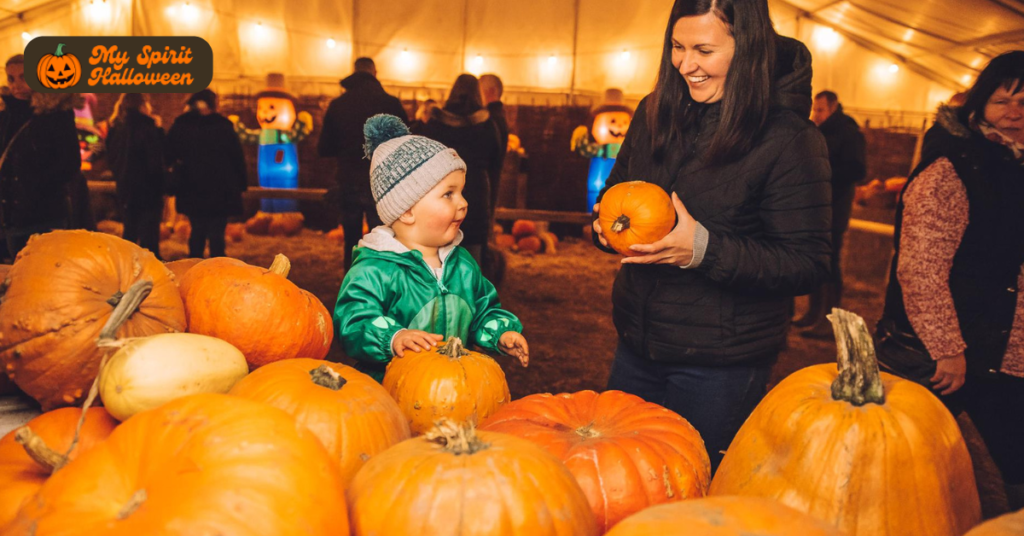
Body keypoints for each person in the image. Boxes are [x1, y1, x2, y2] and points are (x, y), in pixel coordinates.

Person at [591, 0, 831, 471]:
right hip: (637, 343)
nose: (685, 64)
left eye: (704, 49)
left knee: (689, 489)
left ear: (749, 49)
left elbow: (807, 262)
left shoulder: (789, 139)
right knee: (618, 478)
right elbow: (621, 194)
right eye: (677, 47)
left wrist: (702, 250)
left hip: (719, 363)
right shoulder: (655, 111)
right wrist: (607, 230)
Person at [874, 51, 1024, 510]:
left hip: (1007, 348)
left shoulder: (1014, 166)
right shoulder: (953, 170)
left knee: (1003, 470)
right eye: (1005, 101)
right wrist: (947, 348)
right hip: (957, 353)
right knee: (916, 469)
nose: (1016, 114)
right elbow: (920, 268)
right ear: (979, 104)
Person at [334, 114, 528, 382]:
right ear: (408, 210)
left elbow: (483, 309)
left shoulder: (462, 264)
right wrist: (393, 337)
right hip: (392, 390)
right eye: (449, 194)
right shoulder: (374, 270)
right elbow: (353, 322)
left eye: (461, 191)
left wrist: (501, 333)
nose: (463, 203)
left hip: (455, 388)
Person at [319, 57, 409, 270]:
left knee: (351, 239)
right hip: (382, 183)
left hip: (349, 180)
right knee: (384, 238)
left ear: (354, 72)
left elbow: (324, 148)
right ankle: (382, 285)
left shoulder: (338, 106)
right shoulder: (391, 104)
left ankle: (353, 285)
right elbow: (406, 145)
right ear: (374, 73)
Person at [796, 90, 867, 337]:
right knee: (817, 261)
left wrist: (822, 172)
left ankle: (830, 320)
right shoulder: (819, 131)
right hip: (817, 208)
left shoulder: (848, 133)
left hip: (834, 209)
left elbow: (857, 170)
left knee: (830, 263)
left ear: (834, 107)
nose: (816, 114)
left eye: (821, 110)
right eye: (815, 109)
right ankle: (813, 313)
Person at [0, 54, 80, 259]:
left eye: (23, 77)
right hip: (11, 216)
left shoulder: (56, 113)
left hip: (44, 215)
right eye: (11, 78)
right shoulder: (8, 115)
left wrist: (34, 184)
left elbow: (70, 163)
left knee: (45, 276)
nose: (16, 85)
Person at [418, 74, 504, 264]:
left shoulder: (435, 124)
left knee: (439, 261)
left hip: (442, 198)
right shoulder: (487, 125)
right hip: (475, 198)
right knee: (471, 262)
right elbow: (495, 164)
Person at [166, 89, 248, 258]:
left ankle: (195, 264)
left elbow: (168, 155)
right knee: (217, 232)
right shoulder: (223, 127)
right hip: (220, 188)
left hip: (191, 187)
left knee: (197, 230)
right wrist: (241, 182)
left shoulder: (181, 127)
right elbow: (236, 157)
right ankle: (217, 268)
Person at [106, 93, 166, 258]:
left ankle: (126, 272)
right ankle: (152, 276)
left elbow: (111, 159)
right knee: (149, 239)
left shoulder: (116, 129)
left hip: (125, 189)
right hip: (149, 191)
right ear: (142, 106)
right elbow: (156, 162)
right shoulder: (148, 129)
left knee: (129, 234)